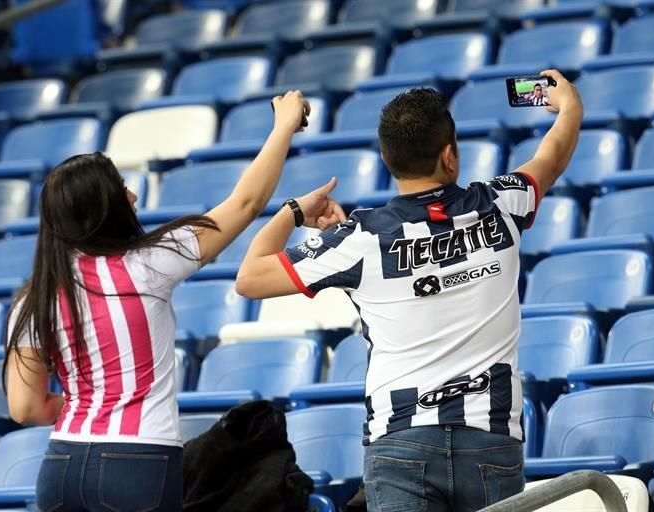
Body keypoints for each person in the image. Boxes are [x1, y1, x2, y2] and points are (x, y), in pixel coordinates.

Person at [234, 69, 583, 512]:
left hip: (399, 443)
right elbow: (553, 155)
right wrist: (570, 106)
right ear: (450, 155)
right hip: (490, 440)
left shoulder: (358, 238)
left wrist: (293, 211)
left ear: (385, 157)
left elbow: (249, 277)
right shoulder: (501, 206)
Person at [4, 90, 327, 512]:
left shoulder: (34, 297)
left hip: (60, 465)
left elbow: (25, 408)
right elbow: (245, 204)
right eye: (122, 190)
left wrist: (95, 402)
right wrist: (283, 126)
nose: (133, 198)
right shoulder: (149, 263)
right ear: (103, 208)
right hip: (136, 462)